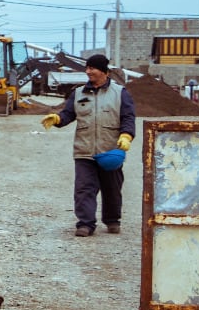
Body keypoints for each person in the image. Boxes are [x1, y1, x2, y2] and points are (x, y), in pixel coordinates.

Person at [41, 54, 136, 237]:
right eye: (87, 68)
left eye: (92, 68)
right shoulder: (78, 93)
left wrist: (126, 135)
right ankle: (85, 224)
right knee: (84, 189)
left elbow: (128, 117)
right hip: (84, 151)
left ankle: (112, 220)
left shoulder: (120, 93)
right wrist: (58, 118)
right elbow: (69, 114)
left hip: (110, 151)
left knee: (112, 189)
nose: (88, 71)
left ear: (104, 71)